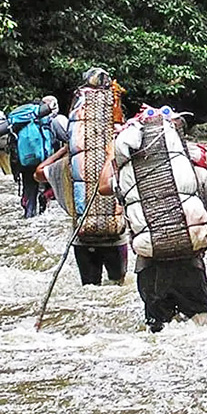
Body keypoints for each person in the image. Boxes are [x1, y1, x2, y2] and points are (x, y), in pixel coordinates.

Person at [99, 105, 207, 330]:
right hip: (190, 264)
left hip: (149, 267)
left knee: (157, 331)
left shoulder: (129, 179)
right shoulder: (194, 171)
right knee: (201, 327)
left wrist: (110, 155)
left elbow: (103, 187)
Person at [35, 69, 128, 287]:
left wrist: (65, 150)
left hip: (83, 238)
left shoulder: (70, 165)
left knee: (89, 290)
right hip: (116, 238)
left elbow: (38, 173)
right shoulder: (121, 160)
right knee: (117, 286)